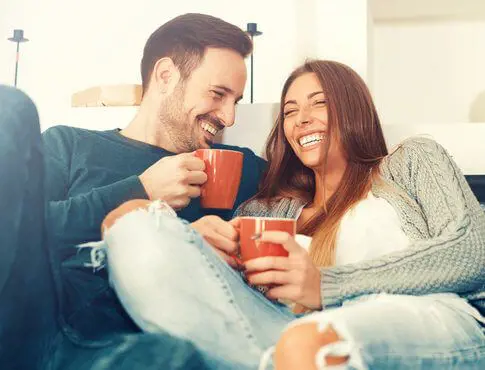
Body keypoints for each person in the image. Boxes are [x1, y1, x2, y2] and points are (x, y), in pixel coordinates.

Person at [101, 60, 485, 370]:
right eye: (290, 111)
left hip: (431, 321)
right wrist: (205, 249)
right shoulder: (265, 211)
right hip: (288, 337)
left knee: (310, 346)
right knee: (130, 219)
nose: (301, 119)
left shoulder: (409, 162)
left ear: (354, 109)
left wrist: (325, 285)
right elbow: (242, 302)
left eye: (319, 103)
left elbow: (473, 251)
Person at [0, 13, 266, 370]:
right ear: (166, 76)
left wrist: (184, 244)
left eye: (235, 100)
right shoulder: (70, 145)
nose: (229, 117)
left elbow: (326, 185)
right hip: (39, 323)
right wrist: (141, 189)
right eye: (218, 94)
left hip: (134, 347)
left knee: (173, 359)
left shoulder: (235, 167)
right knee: (10, 108)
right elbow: (19, 235)